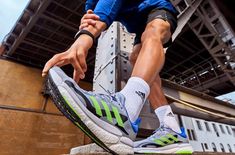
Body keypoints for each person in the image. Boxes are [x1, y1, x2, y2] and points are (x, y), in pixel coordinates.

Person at [42, 0, 193, 154]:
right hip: (139, 25)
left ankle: (126, 109)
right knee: (136, 58)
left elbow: (106, 10)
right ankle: (172, 129)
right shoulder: (90, 3)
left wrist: (85, 37)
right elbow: (94, 16)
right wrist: (87, 26)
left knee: (153, 33)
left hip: (157, 7)